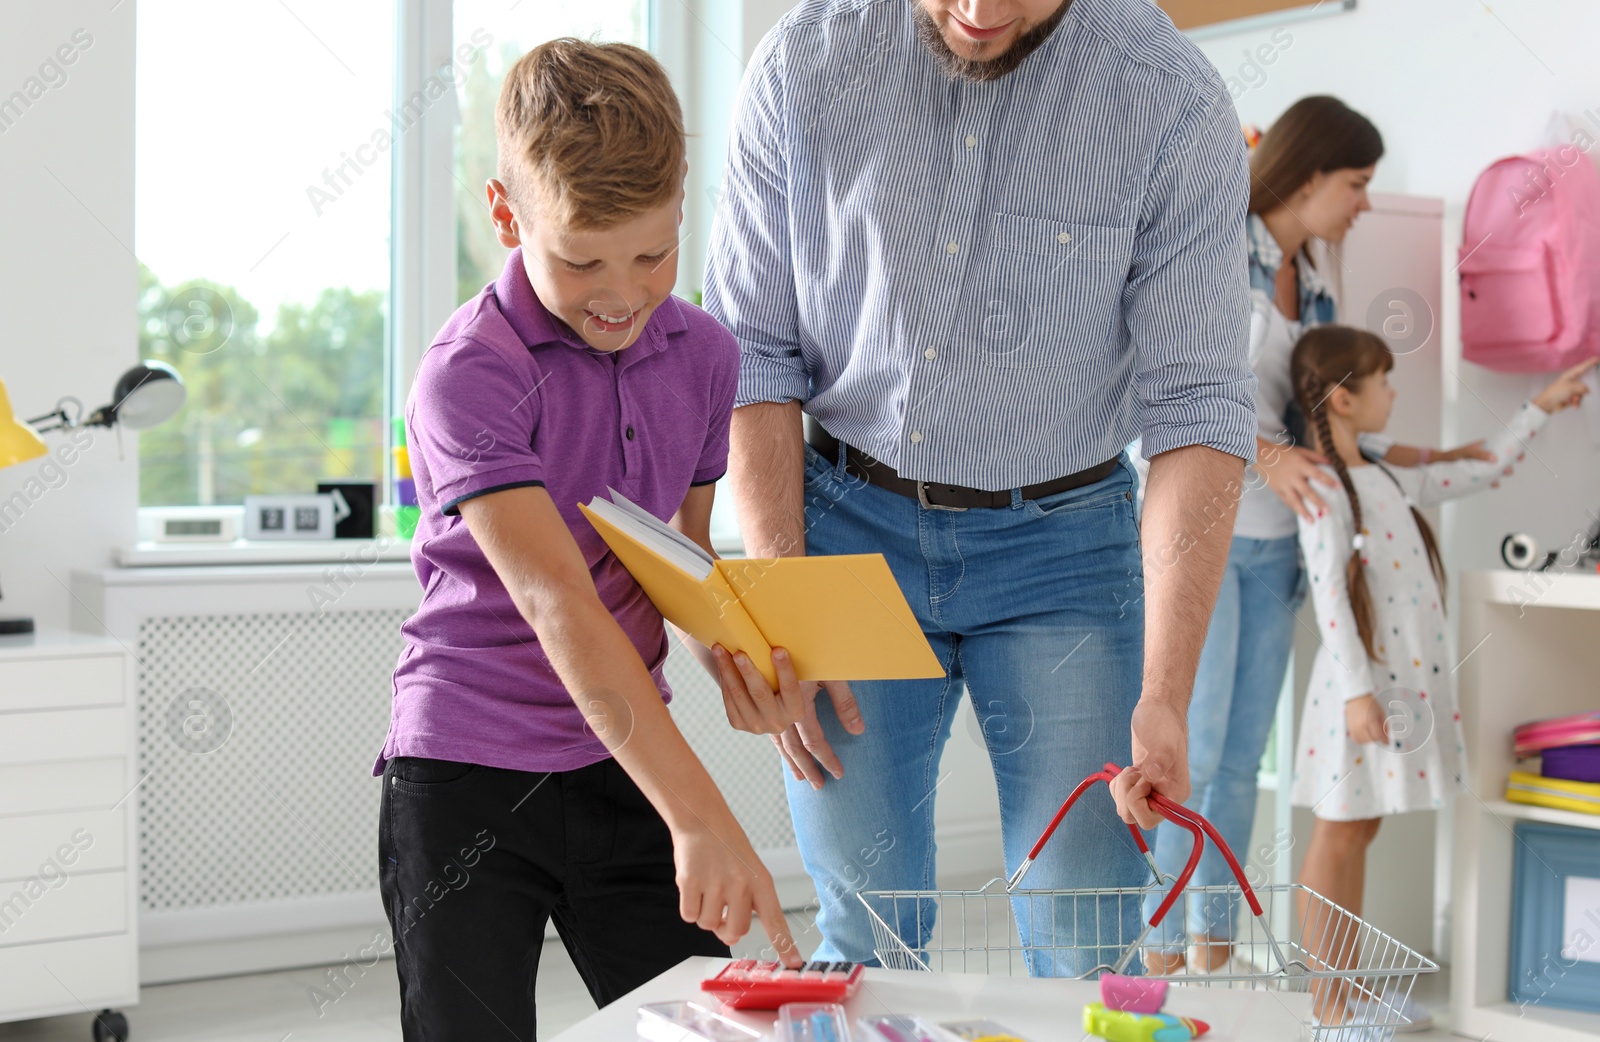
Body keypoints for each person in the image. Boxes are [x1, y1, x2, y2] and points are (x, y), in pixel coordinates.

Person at [706, 0, 1257, 972]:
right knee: (866, 930)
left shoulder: (1169, 101)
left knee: (1085, 933)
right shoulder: (804, 61)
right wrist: (780, 598)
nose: (980, 10)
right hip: (842, 528)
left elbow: (1197, 410)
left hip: (1066, 547)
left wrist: (1165, 693)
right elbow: (753, 349)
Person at [373, 40, 804, 1040]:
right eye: (580, 260)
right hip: (465, 777)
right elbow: (559, 602)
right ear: (504, 213)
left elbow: (677, 565)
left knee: (700, 1026)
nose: (622, 294)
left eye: (653, 254)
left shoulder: (706, 354)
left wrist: (735, 656)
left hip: (619, 768)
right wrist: (700, 814)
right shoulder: (465, 374)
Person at [1142, 96, 1492, 980]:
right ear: (1309, 173)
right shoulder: (1217, 250)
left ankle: (1212, 955)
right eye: (1358, 183)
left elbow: (1332, 424)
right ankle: (1156, 956)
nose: (1365, 202)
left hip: (1283, 550)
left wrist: (1437, 457)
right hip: (1209, 540)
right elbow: (1169, 390)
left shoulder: (1321, 278)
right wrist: (1263, 457)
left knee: (1238, 761)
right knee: (1198, 748)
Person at [1288, 325, 1595, 1033]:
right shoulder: (1325, 490)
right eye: (1383, 381)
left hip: (1388, 688)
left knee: (1357, 834)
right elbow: (1330, 593)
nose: (1394, 392)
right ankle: (1327, 1005)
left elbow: (1482, 466)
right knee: (1336, 836)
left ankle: (1350, 990)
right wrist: (1361, 692)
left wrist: (1540, 408)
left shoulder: (1385, 477)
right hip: (1357, 692)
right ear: (1342, 399)